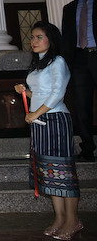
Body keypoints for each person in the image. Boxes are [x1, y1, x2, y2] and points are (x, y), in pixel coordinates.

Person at [14, 21, 82, 240]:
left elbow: (57, 94)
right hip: (40, 123)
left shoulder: (58, 61)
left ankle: (73, 220)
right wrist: (26, 92)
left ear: (50, 40)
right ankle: (60, 218)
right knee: (49, 173)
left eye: (39, 37)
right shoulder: (38, 64)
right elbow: (41, 94)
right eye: (32, 37)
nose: (34, 41)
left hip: (56, 120)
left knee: (63, 172)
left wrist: (35, 114)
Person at [61, 0, 97, 162]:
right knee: (81, 105)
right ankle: (87, 147)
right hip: (79, 60)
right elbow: (66, 37)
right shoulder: (69, 8)